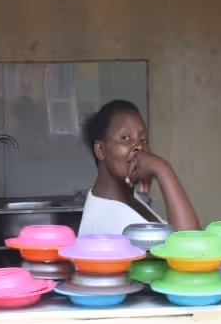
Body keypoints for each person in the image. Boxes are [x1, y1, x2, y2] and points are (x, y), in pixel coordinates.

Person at [78, 100, 200, 235]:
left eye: (143, 140)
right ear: (101, 150)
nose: (139, 147)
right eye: (125, 138)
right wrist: (162, 169)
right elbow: (191, 245)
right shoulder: (106, 219)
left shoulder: (129, 199)